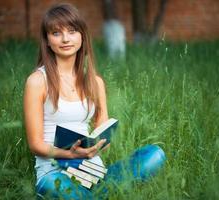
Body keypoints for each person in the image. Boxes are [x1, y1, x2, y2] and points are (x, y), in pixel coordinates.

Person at [23, 3, 166, 199]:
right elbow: (35, 144)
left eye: (72, 31)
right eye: (56, 33)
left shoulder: (95, 82)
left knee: (155, 154)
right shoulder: (37, 81)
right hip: (55, 172)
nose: (65, 39)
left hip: (95, 173)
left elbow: (103, 136)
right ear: (47, 40)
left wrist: (97, 145)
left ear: (82, 36)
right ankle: (102, 195)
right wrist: (70, 155)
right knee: (52, 185)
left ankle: (96, 193)